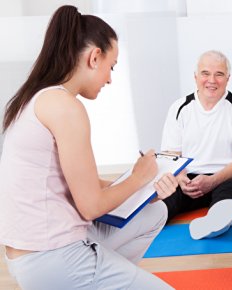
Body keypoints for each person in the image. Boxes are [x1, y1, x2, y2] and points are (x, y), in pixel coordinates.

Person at [0, 6, 176, 290]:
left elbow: (86, 184)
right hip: (52, 259)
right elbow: (91, 206)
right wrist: (138, 178)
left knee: (156, 213)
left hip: (36, 254)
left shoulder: (39, 98)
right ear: (95, 57)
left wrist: (146, 190)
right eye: (112, 66)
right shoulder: (65, 107)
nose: (110, 78)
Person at [160, 50, 232, 240]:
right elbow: (172, 155)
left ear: (227, 78)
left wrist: (212, 181)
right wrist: (181, 179)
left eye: (219, 74)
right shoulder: (180, 107)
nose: (212, 80)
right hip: (188, 178)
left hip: (226, 175)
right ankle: (148, 221)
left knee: (229, 195)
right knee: (163, 201)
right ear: (196, 77)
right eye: (205, 73)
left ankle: (216, 221)